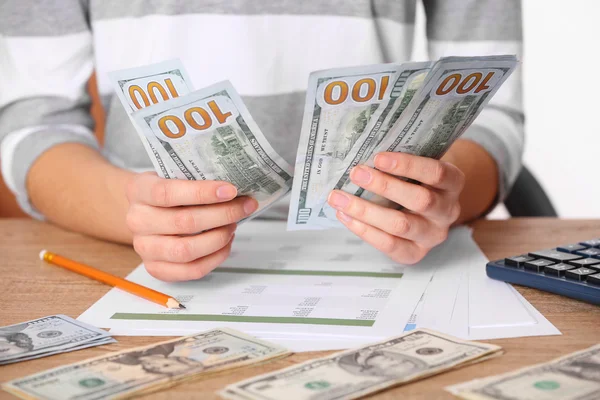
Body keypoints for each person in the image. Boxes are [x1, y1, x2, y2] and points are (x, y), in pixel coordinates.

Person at [0, 1, 524, 281]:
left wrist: (440, 198)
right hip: (131, 248)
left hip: (383, 254)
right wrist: (138, 213)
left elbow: (491, 109)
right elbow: (33, 121)